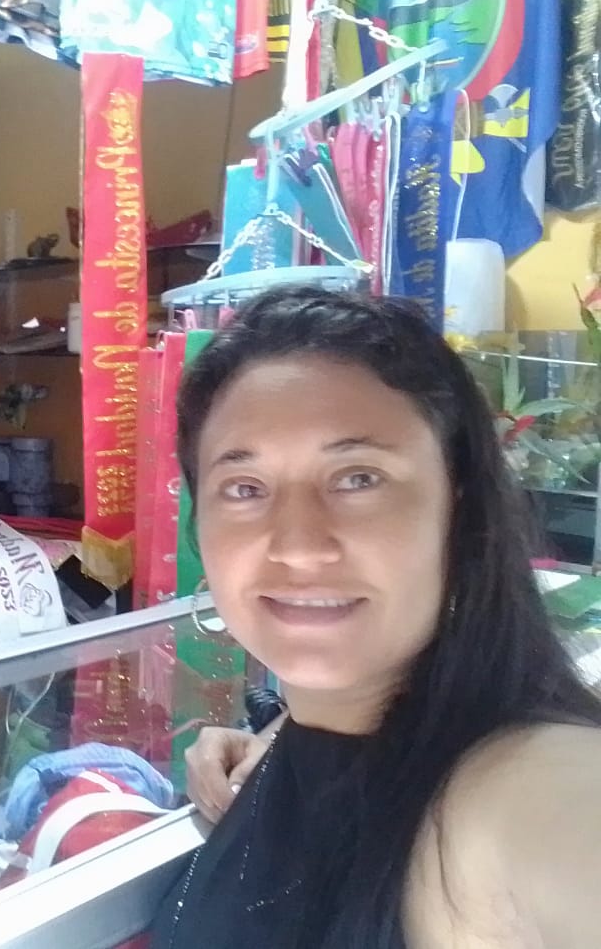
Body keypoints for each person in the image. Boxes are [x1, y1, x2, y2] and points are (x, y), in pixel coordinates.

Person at [149, 287, 601, 948]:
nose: (298, 545)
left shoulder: (515, 792)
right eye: (245, 488)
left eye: (358, 478)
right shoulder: (316, 735)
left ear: (458, 508)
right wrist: (274, 737)